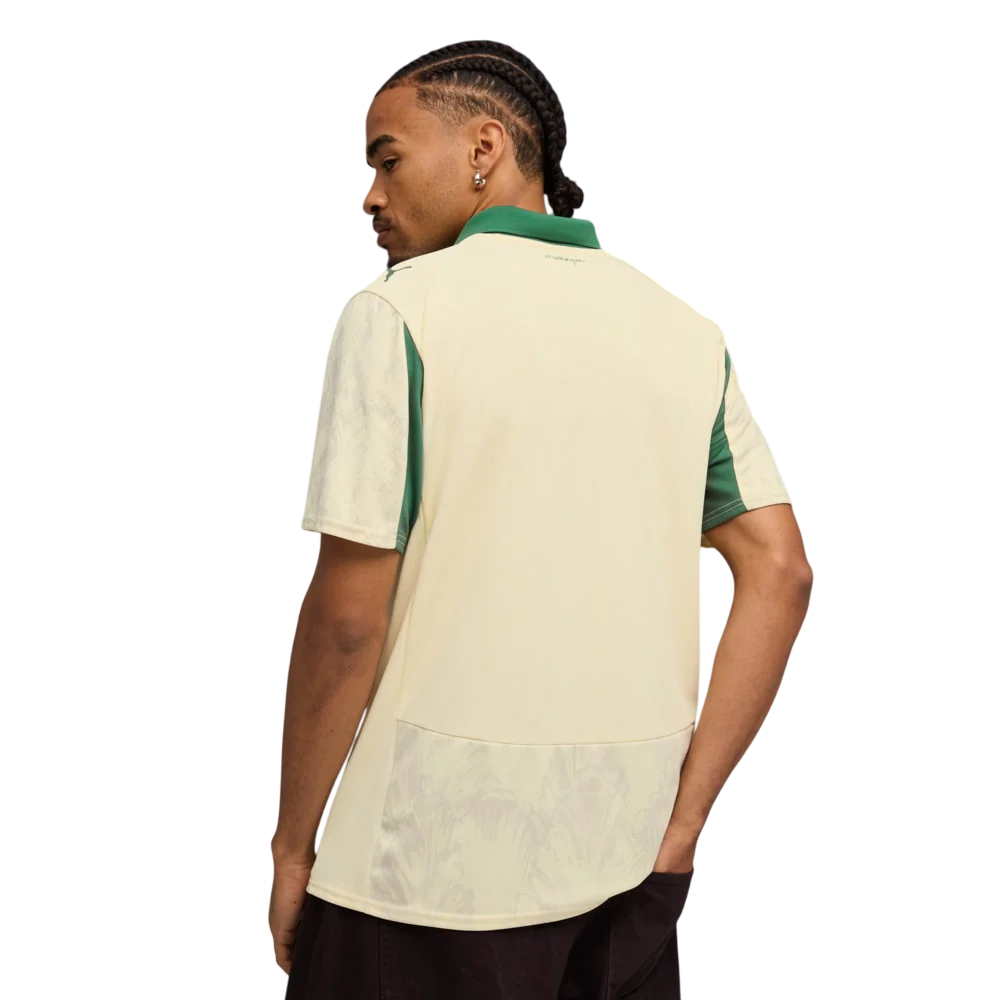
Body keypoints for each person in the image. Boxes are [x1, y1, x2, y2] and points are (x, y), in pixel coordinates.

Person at [272, 38, 813, 1000]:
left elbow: (348, 621)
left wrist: (291, 845)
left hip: (420, 872)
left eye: (387, 160)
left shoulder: (398, 313)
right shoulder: (685, 329)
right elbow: (781, 569)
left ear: (485, 148)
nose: (370, 196)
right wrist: (685, 820)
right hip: (630, 863)